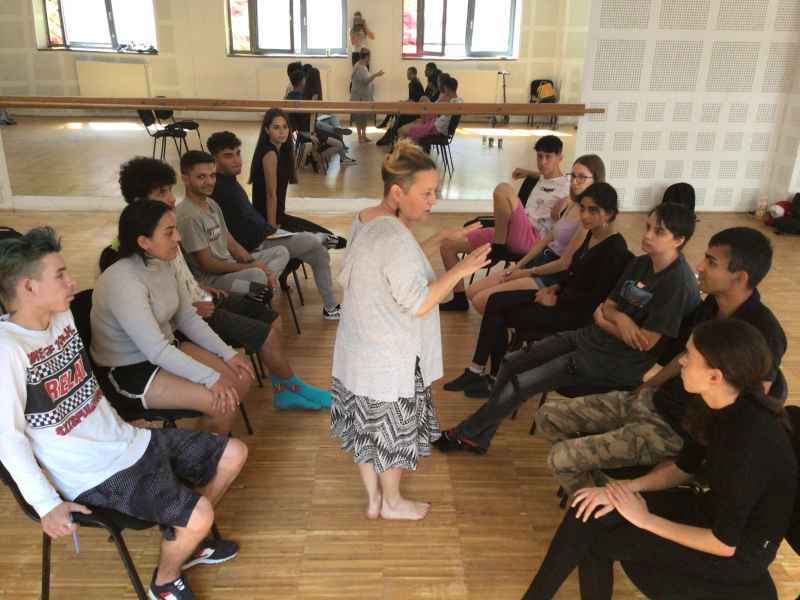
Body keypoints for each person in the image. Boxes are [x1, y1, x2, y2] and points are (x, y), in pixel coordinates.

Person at [0, 227, 248, 600]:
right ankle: (164, 581)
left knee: (233, 453)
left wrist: (119, 421)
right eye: (60, 275)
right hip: (94, 473)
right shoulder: (8, 351)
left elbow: (86, 388)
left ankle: (185, 538)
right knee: (200, 515)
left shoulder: (61, 318)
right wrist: (46, 504)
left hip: (127, 440)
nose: (72, 281)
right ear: (28, 288)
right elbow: (7, 437)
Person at [522, 319, 797, 600]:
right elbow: (682, 468)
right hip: (710, 512)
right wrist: (624, 489)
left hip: (737, 555)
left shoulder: (750, 443)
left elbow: (724, 543)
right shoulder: (714, 404)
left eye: (689, 355)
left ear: (715, 376)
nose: (681, 361)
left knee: (601, 543)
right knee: (591, 507)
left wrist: (645, 519)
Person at [536, 227, 786, 496]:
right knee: (547, 416)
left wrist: (697, 456)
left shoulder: (764, 333)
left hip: (678, 431)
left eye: (712, 262)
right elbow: (683, 357)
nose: (700, 266)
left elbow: (752, 407)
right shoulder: (709, 307)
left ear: (740, 277)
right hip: (656, 401)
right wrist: (646, 387)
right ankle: (600, 484)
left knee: (561, 458)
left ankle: (605, 507)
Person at [436, 202, 700, 455]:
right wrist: (621, 320)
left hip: (613, 361)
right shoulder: (641, 263)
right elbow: (608, 307)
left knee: (522, 383)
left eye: (658, 231)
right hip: (590, 338)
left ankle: (467, 433)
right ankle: (478, 436)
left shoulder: (677, 283)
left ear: (679, 240)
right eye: (648, 227)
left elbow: (644, 342)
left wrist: (607, 319)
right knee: (511, 362)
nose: (648, 235)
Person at [331, 140, 490, 521]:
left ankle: (374, 500)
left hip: (358, 351)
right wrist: (462, 269)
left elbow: (398, 262)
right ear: (398, 193)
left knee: (365, 429)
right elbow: (419, 301)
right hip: (387, 356)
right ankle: (392, 503)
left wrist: (442, 238)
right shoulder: (394, 239)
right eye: (427, 193)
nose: (434, 200)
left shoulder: (368, 220)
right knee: (390, 434)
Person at [107, 156, 330, 411]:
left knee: (271, 316)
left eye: (169, 190)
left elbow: (184, 275)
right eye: (161, 192)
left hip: (202, 298)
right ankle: (293, 387)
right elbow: (158, 312)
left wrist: (200, 289)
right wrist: (194, 301)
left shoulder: (173, 226)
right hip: (192, 314)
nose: (170, 198)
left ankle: (283, 388)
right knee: (262, 318)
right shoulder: (143, 248)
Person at [445, 182, 630, 398]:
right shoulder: (592, 234)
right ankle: (476, 371)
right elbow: (574, 273)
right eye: (583, 208)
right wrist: (554, 288)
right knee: (495, 300)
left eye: (593, 210)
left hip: (573, 315)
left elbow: (594, 299)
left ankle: (495, 380)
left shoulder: (615, 249)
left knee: (499, 310)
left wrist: (556, 299)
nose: (585, 215)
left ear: (610, 214)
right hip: (561, 297)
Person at [91, 200, 254, 435]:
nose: (178, 237)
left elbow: (188, 318)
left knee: (241, 377)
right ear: (144, 242)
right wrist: (210, 378)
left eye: (175, 229)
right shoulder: (123, 281)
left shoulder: (162, 263)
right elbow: (155, 350)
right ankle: (209, 454)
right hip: (130, 370)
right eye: (169, 232)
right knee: (221, 401)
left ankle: (207, 447)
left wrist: (228, 353)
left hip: (165, 349)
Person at [208, 132, 342, 320]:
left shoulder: (231, 182)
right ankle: (324, 238)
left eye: (238, 153)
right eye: (228, 156)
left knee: (319, 252)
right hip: (257, 245)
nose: (237, 160)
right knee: (311, 241)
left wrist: (273, 228)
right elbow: (224, 235)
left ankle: (330, 308)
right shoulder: (214, 188)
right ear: (214, 159)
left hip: (269, 234)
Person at [460, 154, 605, 313]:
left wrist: (526, 272)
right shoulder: (573, 204)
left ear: (596, 180)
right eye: (573, 176)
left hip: (552, 273)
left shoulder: (588, 218)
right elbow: (543, 242)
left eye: (582, 177)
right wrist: (518, 266)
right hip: (540, 260)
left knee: (481, 301)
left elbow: (564, 263)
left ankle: (512, 320)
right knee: (472, 291)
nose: (574, 181)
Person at [439, 135, 570, 310]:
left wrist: (570, 199)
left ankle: (498, 247)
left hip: (534, 240)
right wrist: (528, 172)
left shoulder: (569, 184)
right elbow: (546, 176)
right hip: (511, 232)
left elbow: (589, 191)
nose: (542, 162)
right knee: (447, 246)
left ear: (560, 158)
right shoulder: (542, 177)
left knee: (503, 189)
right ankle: (459, 299)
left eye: (548, 157)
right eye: (539, 156)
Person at [174, 151, 288, 298]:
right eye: (201, 177)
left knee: (281, 252)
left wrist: (254, 263)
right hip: (214, 281)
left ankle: (263, 288)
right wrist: (251, 267)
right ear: (185, 179)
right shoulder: (188, 216)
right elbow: (208, 265)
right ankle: (261, 290)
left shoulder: (211, 203)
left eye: (212, 176)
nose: (209, 182)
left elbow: (232, 244)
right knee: (256, 275)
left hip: (231, 268)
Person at [249, 108, 344, 239]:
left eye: (285, 127)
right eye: (276, 128)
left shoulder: (282, 151)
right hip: (269, 220)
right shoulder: (270, 153)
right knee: (328, 239)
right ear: (267, 130)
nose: (282, 132)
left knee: (329, 238)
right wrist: (271, 229)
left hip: (278, 216)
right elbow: (271, 194)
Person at [287, 69, 355, 168]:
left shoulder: (291, 96)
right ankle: (316, 157)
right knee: (338, 140)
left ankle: (335, 136)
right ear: (301, 81)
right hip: (311, 130)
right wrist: (310, 134)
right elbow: (307, 120)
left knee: (333, 125)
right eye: (304, 79)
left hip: (310, 128)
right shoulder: (302, 98)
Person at [397, 75, 462, 143]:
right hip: (437, 126)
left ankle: (404, 148)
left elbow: (435, 111)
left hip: (435, 129)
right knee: (415, 121)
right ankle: (409, 146)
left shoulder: (450, 103)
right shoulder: (459, 101)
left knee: (401, 130)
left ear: (446, 88)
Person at [376, 66, 426, 146]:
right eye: (407, 73)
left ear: (413, 74)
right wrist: (404, 102)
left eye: (408, 74)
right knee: (396, 107)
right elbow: (412, 99)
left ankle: (389, 133)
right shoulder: (415, 82)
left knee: (398, 113)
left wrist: (404, 103)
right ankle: (388, 130)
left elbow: (414, 100)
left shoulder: (413, 83)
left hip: (415, 111)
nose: (407, 75)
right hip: (415, 108)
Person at [350, 48, 384, 143]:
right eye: (369, 57)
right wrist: (376, 75)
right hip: (359, 96)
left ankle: (364, 135)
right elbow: (365, 81)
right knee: (359, 117)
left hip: (363, 96)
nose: (370, 59)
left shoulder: (362, 66)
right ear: (367, 57)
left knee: (363, 117)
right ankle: (360, 136)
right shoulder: (360, 67)